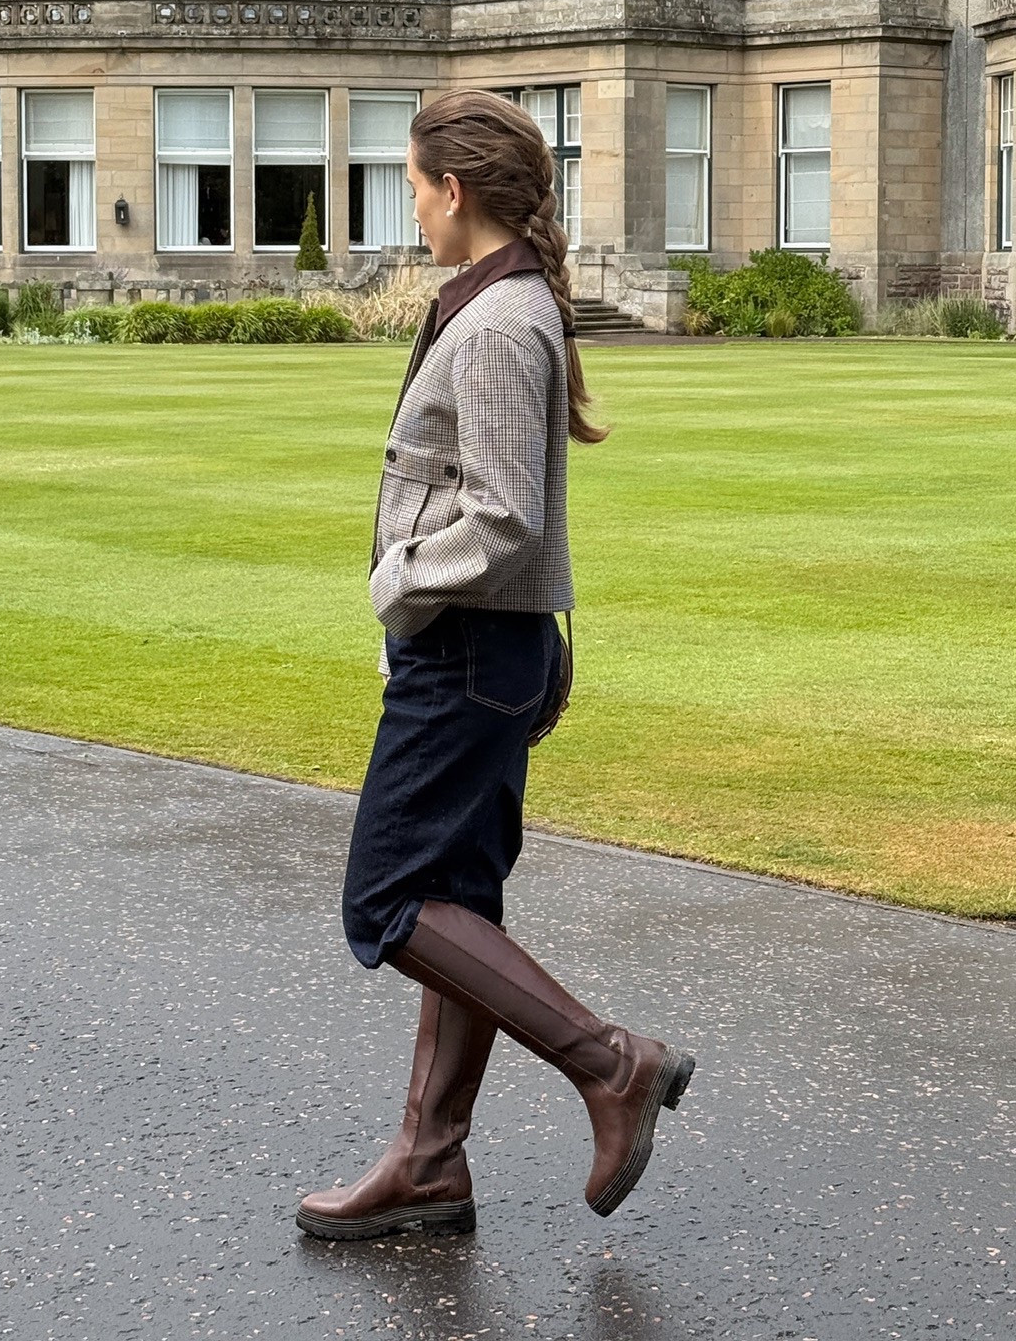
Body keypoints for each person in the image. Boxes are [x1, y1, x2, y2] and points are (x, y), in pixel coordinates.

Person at [298, 89, 693, 1242]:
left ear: (452, 189)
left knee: (386, 898)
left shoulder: (498, 322)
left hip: (468, 648)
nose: (410, 203)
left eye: (414, 183)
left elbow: (505, 516)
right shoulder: (496, 305)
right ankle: (427, 1162)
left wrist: (398, 580)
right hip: (489, 645)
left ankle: (611, 1062)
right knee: (458, 899)